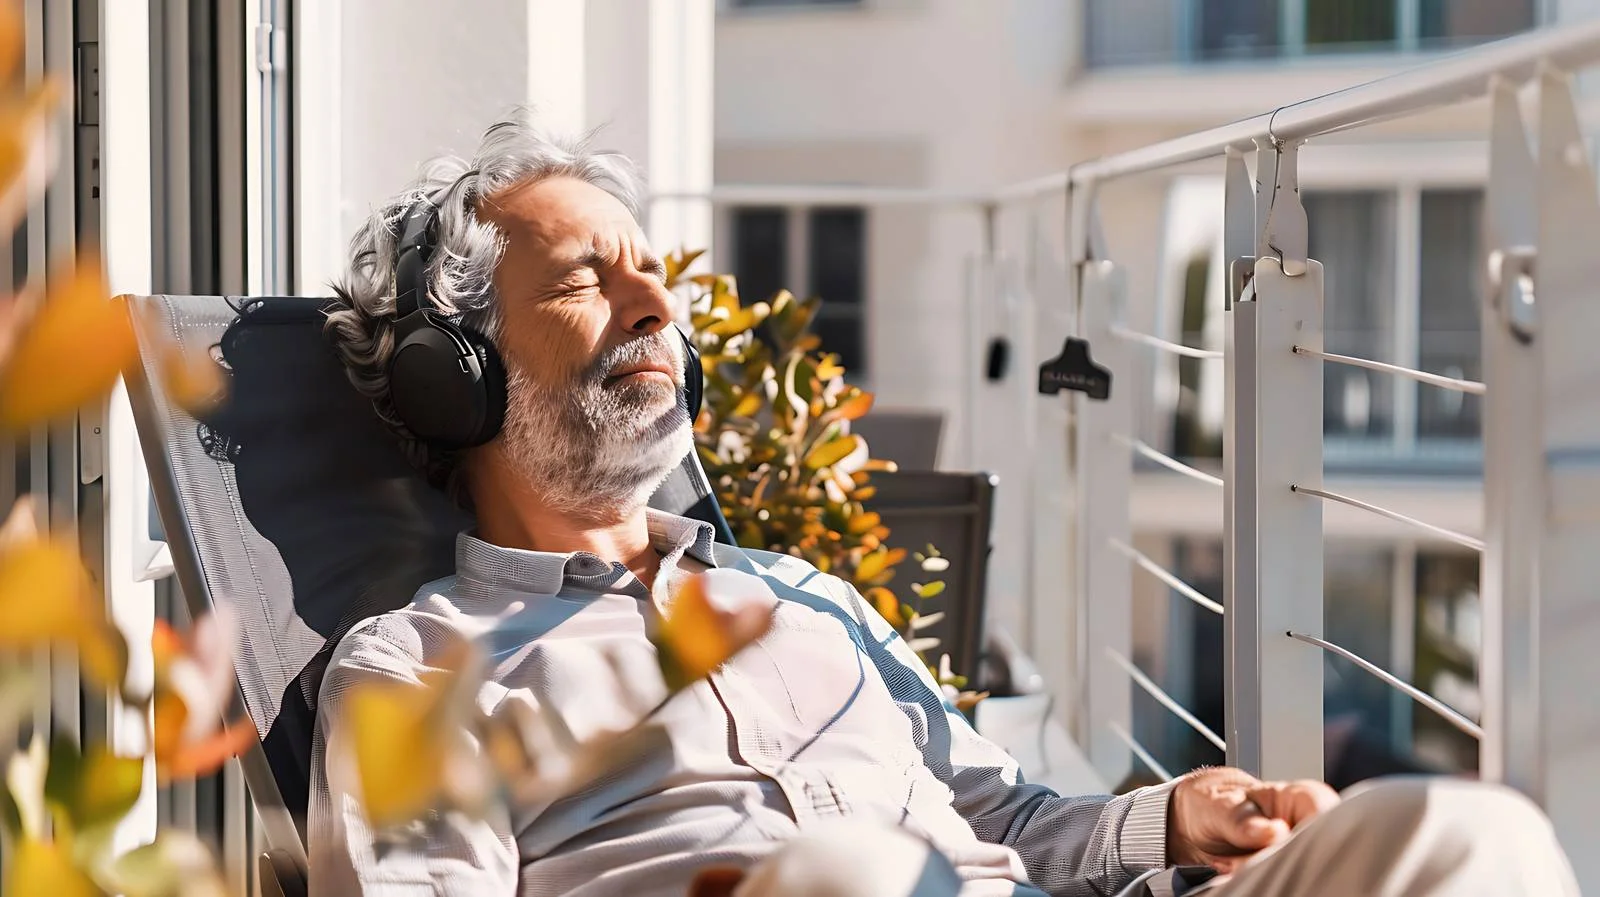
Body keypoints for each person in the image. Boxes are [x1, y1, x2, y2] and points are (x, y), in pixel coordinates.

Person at [308, 110, 1579, 897]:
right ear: (453, 373)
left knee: (1471, 843)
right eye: (592, 280)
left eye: (657, 277)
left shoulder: (797, 600)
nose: (658, 312)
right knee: (854, 878)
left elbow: (998, 810)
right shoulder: (419, 674)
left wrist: (1169, 818)